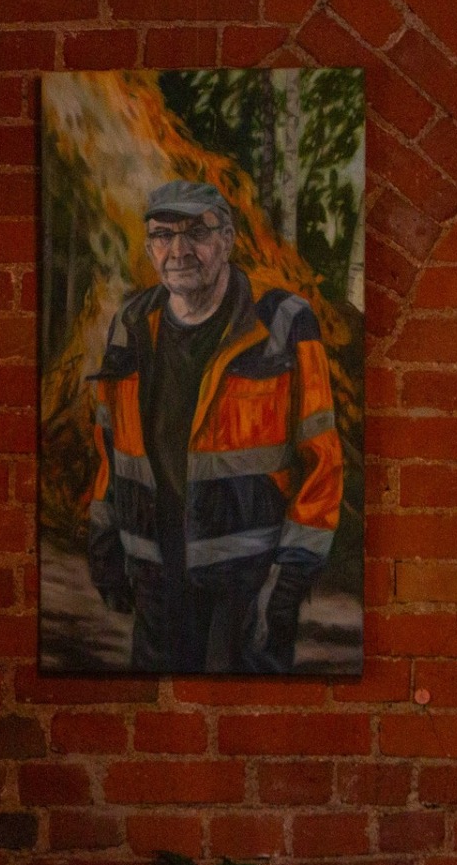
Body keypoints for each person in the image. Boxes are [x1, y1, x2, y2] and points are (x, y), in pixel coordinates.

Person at [84, 180, 344, 673]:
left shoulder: (283, 323)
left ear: (227, 240)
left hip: (248, 588)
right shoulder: (131, 323)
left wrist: (289, 578)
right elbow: (110, 448)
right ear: (149, 247)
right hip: (156, 580)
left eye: (196, 233)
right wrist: (104, 541)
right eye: (163, 235)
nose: (178, 250)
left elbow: (322, 461)